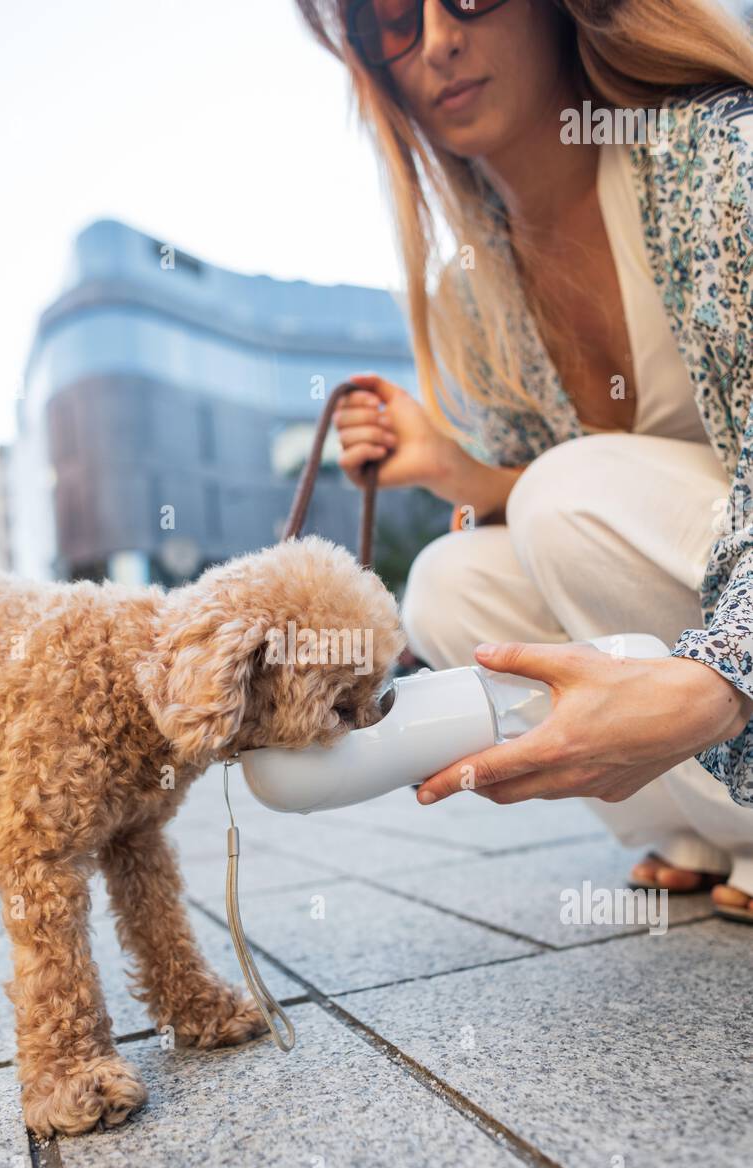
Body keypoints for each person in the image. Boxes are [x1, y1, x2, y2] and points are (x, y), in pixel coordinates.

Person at [295, 0, 753, 919]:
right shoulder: (476, 285)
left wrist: (724, 675)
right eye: (388, 19)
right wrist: (455, 473)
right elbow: (557, 525)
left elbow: (582, 497)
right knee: (448, 583)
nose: (436, 41)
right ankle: (717, 827)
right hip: (689, 567)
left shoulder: (715, 155)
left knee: (563, 494)